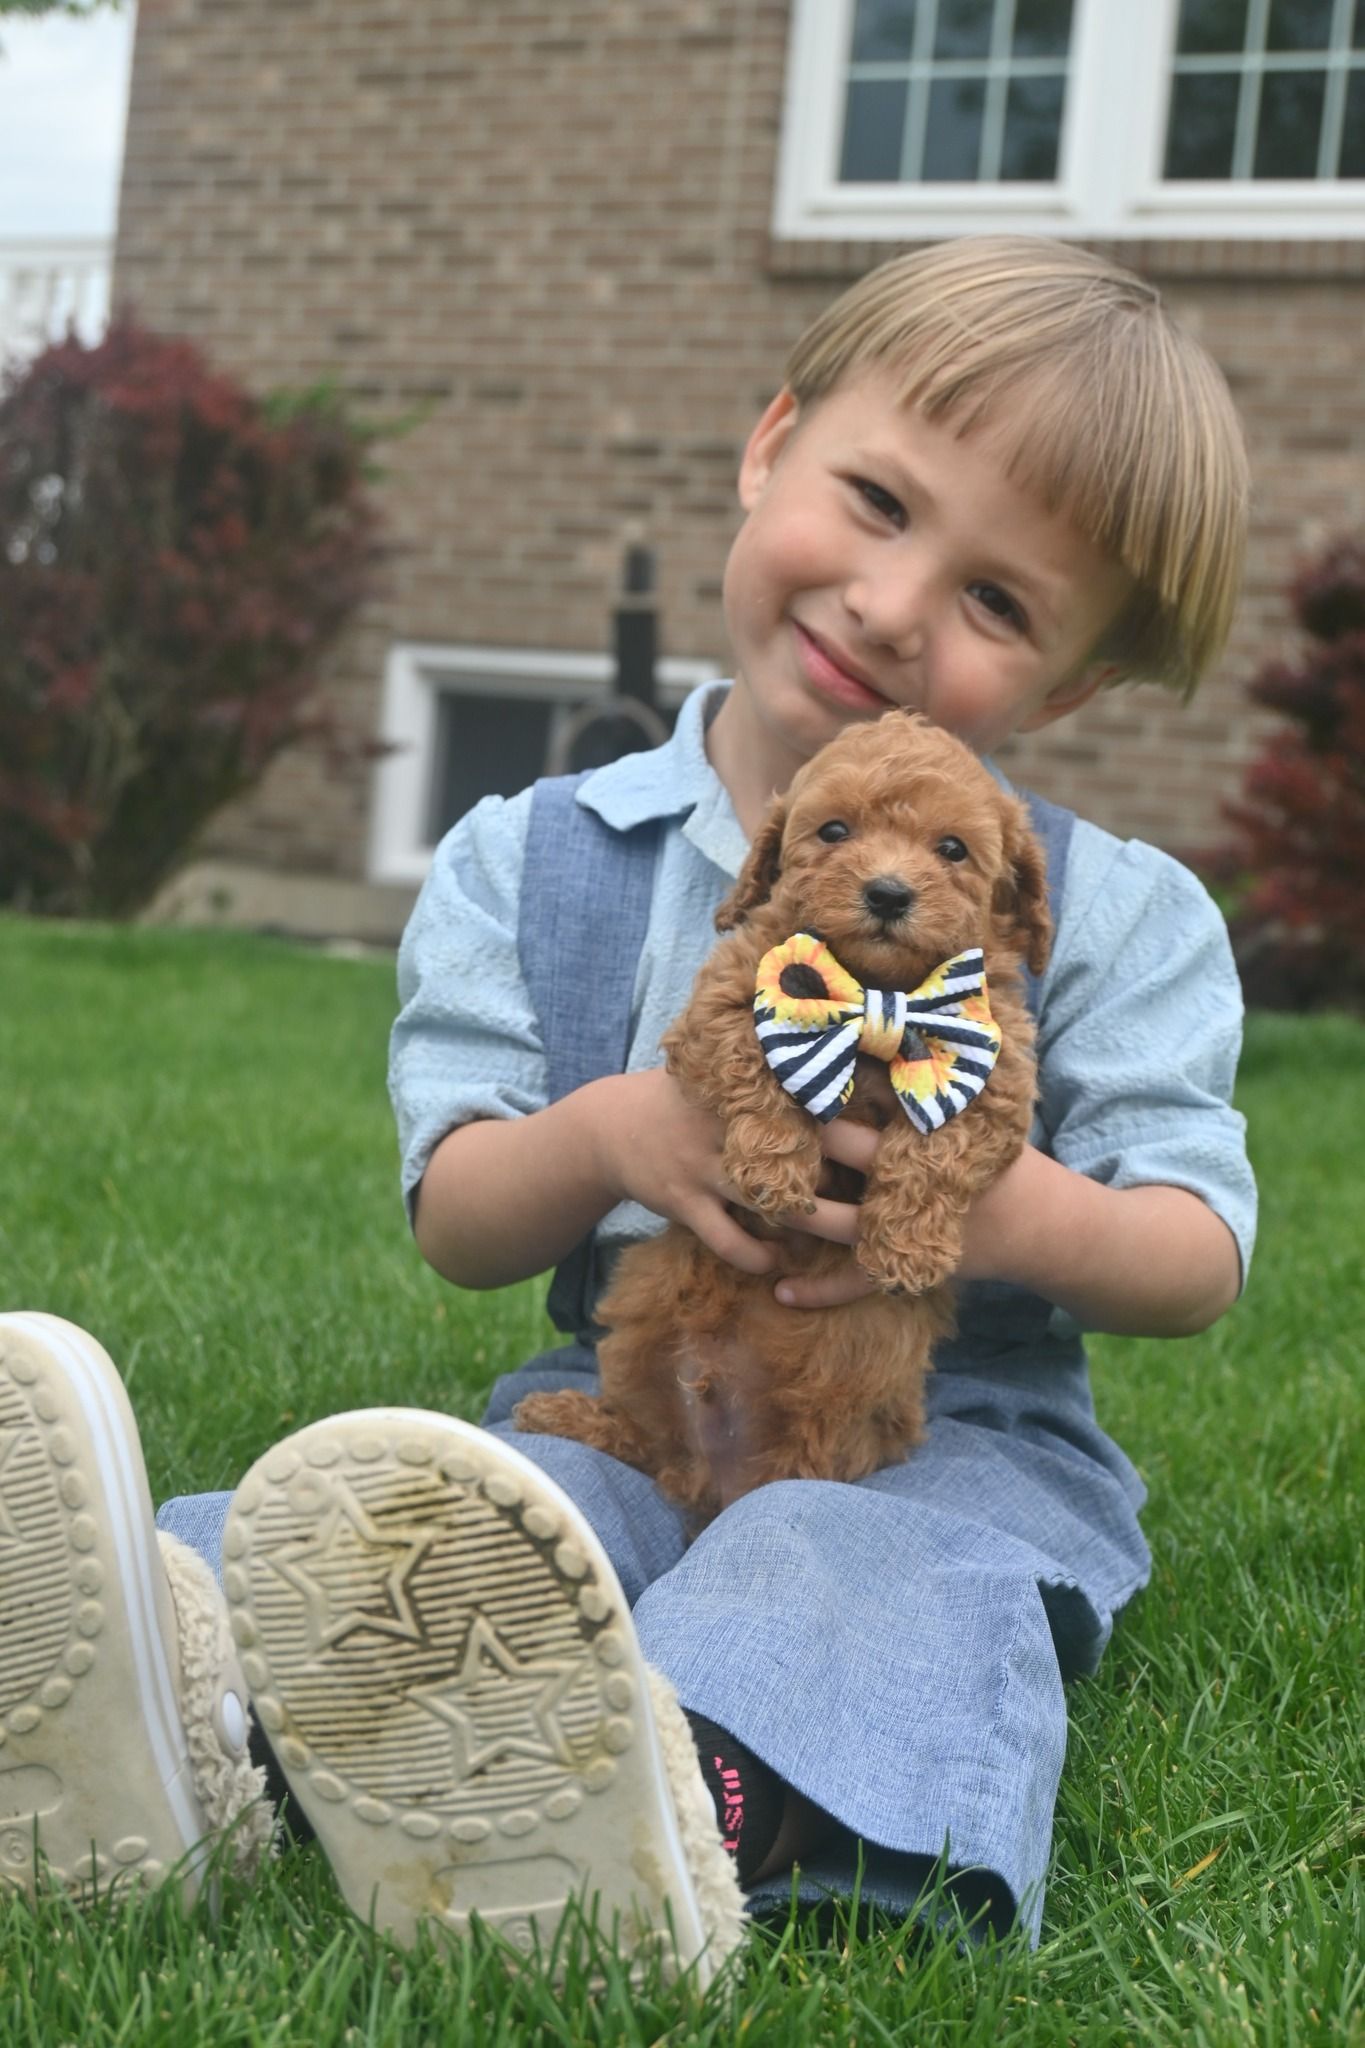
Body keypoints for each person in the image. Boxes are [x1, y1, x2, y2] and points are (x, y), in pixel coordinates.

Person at [3, 238, 1255, 1980]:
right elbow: (459, 1217)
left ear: (1077, 687)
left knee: (852, 1569)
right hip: (635, 1387)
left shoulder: (1110, 913)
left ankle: (692, 1808)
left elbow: (1195, 1251)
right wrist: (607, 1139)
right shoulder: (536, 856)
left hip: (935, 1433)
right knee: (478, 1529)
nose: (896, 607)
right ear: (768, 450)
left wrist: (997, 1201)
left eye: (998, 603)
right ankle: (153, 1656)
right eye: (876, 502)